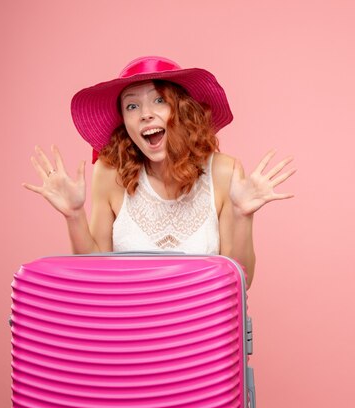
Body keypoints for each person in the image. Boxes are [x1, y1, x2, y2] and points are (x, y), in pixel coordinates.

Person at [23, 56, 295, 288]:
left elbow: (239, 283)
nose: (145, 114)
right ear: (125, 121)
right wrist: (73, 216)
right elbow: (95, 274)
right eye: (132, 106)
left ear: (182, 110)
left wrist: (243, 216)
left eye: (159, 100)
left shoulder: (224, 171)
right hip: (129, 335)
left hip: (201, 337)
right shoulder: (109, 174)